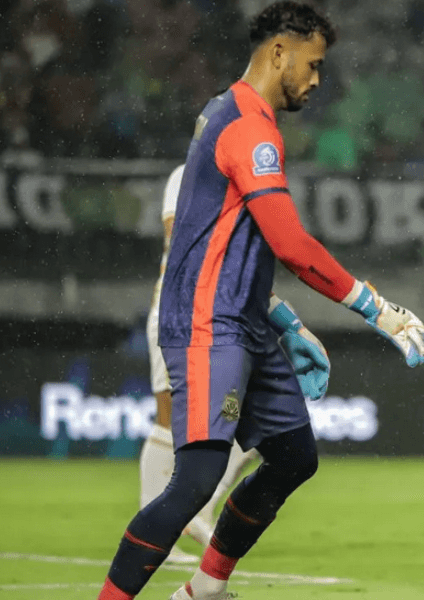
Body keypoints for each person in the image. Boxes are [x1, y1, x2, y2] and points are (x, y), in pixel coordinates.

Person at [97, 4, 424, 600]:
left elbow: (229, 242)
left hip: (244, 319)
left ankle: (204, 590)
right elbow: (289, 243)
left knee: (293, 456)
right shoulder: (247, 129)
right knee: (196, 479)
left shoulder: (236, 115)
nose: (318, 79)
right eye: (314, 63)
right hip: (208, 323)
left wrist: (284, 320)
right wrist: (376, 307)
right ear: (280, 52)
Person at [141, 165, 331, 564]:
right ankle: (162, 525)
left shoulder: (247, 179)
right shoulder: (190, 174)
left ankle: (194, 514)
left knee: (254, 421)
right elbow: (184, 242)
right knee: (169, 417)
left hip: (228, 317)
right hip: (183, 314)